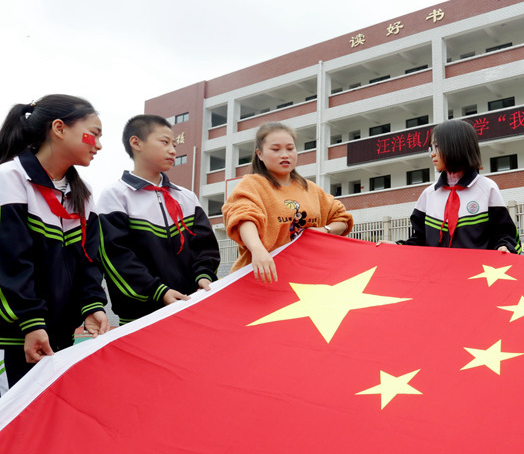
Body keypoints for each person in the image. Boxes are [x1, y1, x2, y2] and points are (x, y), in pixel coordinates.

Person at [0, 94, 110, 390]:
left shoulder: (83, 195)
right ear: (59, 128)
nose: (98, 145)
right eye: (94, 134)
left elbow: (90, 259)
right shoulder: (8, 179)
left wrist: (92, 305)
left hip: (59, 337)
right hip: (13, 336)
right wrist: (32, 322)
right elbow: (11, 261)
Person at [96, 115, 220, 325]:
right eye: (164, 142)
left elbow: (205, 247)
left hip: (189, 307)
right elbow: (116, 256)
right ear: (136, 143)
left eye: (173, 144)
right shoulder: (115, 196)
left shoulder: (186, 197)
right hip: (139, 317)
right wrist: (158, 291)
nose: (173, 150)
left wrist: (204, 275)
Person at [222, 122, 353, 283]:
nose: (285, 155)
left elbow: (342, 220)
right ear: (260, 154)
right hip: (260, 277)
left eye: (290, 148)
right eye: (276, 149)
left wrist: (324, 230)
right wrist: (258, 250)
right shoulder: (252, 185)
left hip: (304, 278)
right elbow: (243, 217)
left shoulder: (311, 189)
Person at [386, 120, 521, 252]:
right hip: (438, 273)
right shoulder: (428, 194)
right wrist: (397, 247)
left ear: (456, 146)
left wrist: (505, 247)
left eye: (436, 147)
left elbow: (505, 234)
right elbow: (420, 240)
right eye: (430, 148)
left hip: (475, 272)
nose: (432, 154)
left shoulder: (487, 188)